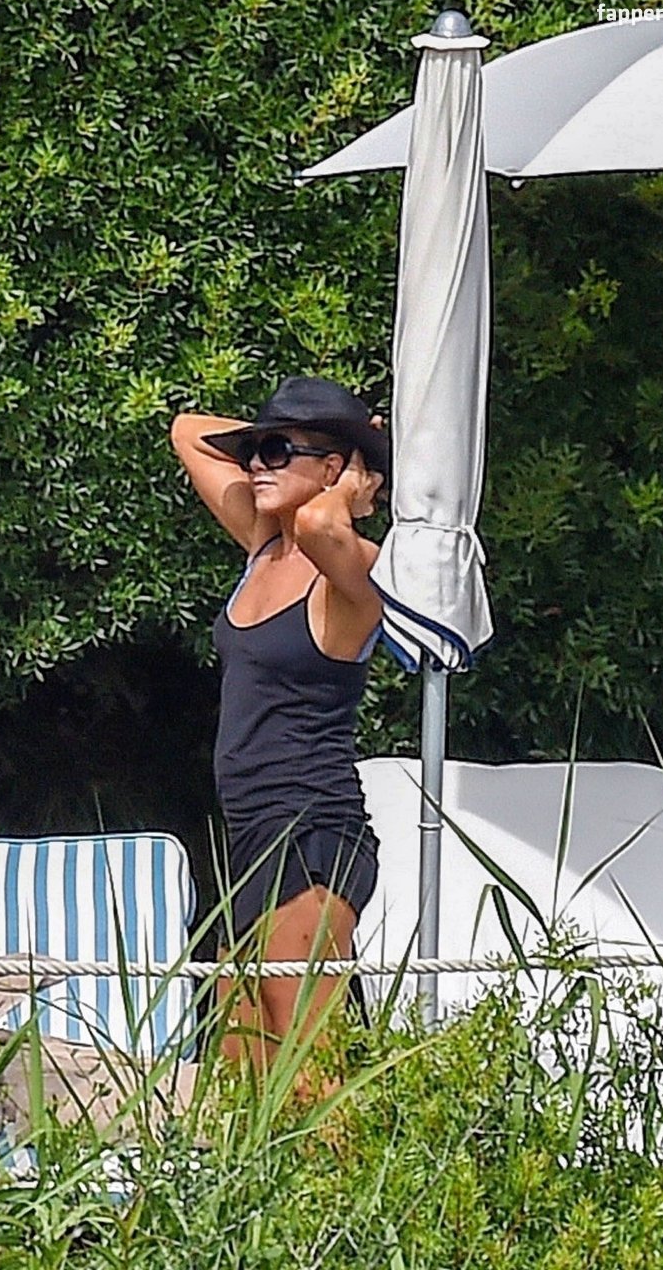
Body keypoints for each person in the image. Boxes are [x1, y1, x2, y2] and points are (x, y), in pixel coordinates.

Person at [170, 375, 388, 1075]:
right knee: (243, 1071)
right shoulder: (265, 546)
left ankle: (352, 1160)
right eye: (254, 451)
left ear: (333, 470)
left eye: (276, 451)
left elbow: (325, 526)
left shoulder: (354, 570)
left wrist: (354, 476)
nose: (256, 464)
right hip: (253, 837)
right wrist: (285, 446)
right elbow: (187, 431)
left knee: (307, 1069)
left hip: (313, 831)